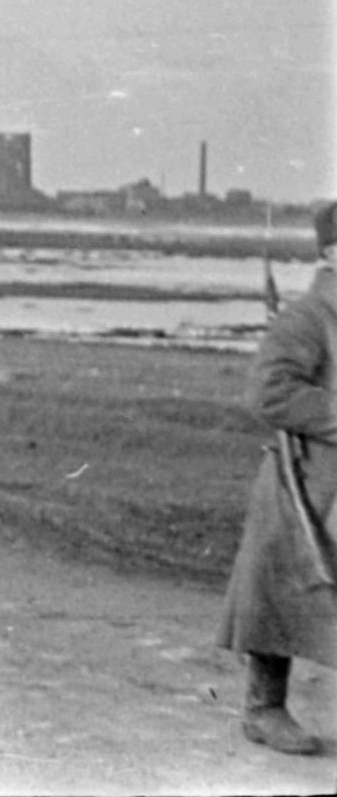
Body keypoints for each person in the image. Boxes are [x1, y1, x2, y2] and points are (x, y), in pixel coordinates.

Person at [218, 199, 337, 756]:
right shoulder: (307, 318)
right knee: (281, 590)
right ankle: (263, 709)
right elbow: (269, 392)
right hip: (308, 483)